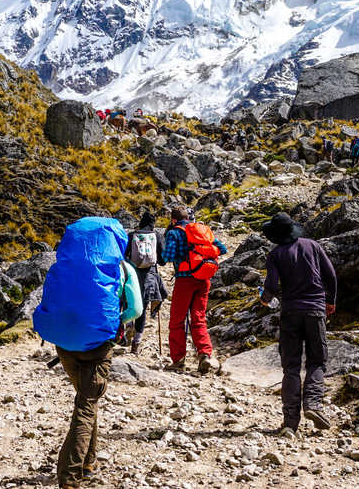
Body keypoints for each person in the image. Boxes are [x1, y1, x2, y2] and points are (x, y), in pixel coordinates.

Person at [33, 217, 134, 489]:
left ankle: (89, 461)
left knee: (86, 398)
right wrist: (114, 322)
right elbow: (135, 309)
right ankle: (69, 477)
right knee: (86, 407)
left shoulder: (63, 266)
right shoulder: (122, 268)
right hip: (98, 346)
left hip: (64, 345)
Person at [259, 212, 338, 435]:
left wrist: (265, 299)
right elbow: (330, 275)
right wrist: (330, 302)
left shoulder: (275, 254)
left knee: (291, 366)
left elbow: (272, 286)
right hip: (315, 310)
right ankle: (313, 405)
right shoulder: (313, 246)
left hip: (290, 311)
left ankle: (290, 422)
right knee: (317, 360)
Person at [161, 206, 226, 373]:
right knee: (199, 318)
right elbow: (222, 249)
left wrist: (181, 255)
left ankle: (178, 360)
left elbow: (167, 256)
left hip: (184, 280)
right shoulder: (201, 230)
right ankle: (205, 355)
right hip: (204, 279)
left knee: (177, 320)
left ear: (173, 220)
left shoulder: (174, 232)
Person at [125, 211, 168, 354]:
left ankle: (129, 324)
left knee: (129, 300)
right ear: (153, 224)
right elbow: (162, 261)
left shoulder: (132, 235)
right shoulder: (157, 236)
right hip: (150, 277)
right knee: (142, 308)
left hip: (132, 274)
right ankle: (136, 344)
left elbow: (124, 256)